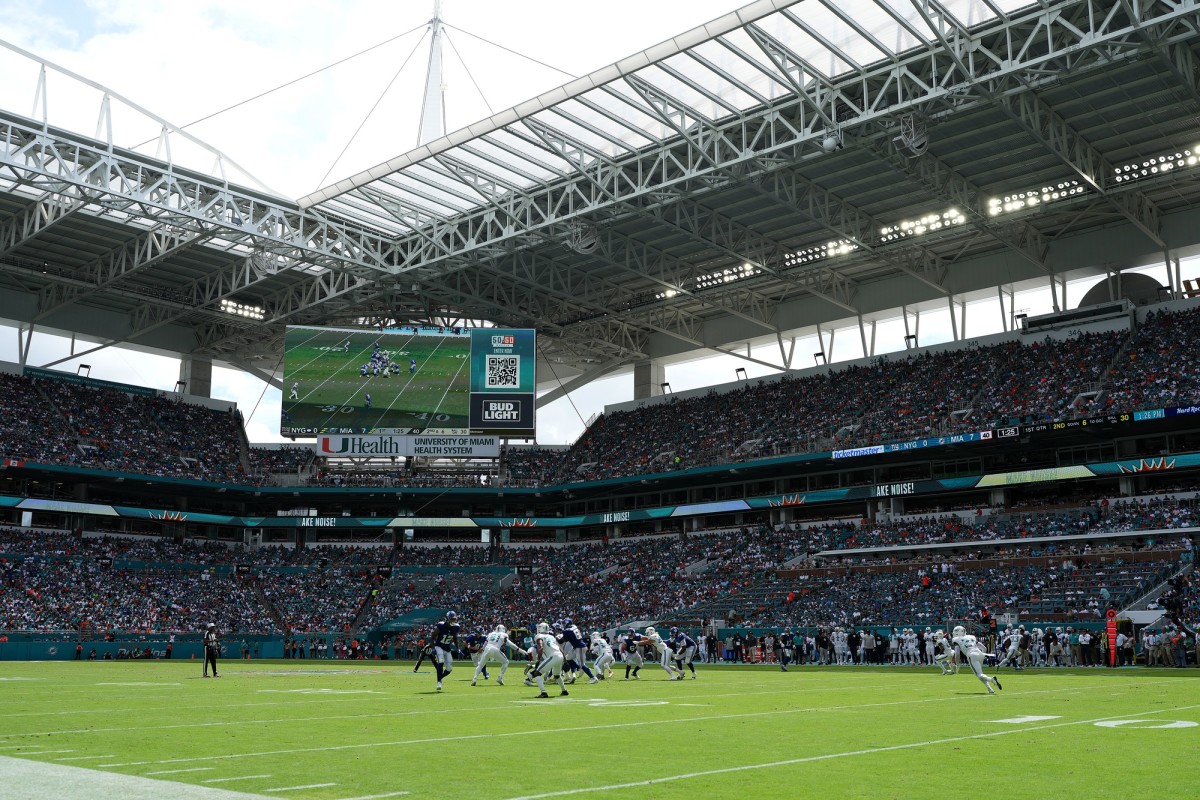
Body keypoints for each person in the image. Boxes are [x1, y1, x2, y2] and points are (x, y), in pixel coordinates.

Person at [950, 625, 1002, 694]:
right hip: (980, 654)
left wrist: (957, 663)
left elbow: (957, 653)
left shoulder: (956, 640)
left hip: (971, 655)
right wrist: (982, 656)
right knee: (980, 674)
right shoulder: (971, 637)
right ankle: (990, 689)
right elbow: (984, 648)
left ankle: (991, 679)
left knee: (979, 674)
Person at [529, 622, 568, 698]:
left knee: (537, 673)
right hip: (560, 655)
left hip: (553, 656)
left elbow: (541, 647)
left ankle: (543, 693)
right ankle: (564, 691)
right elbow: (560, 649)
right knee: (557, 675)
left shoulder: (538, 636)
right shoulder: (551, 637)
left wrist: (538, 661)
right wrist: (565, 661)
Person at [430, 611, 461, 691]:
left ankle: (440, 677)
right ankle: (439, 682)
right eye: (452, 619)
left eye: (454, 619)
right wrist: (433, 648)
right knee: (441, 661)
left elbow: (454, 637)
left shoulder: (456, 627)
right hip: (439, 646)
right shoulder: (441, 626)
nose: (453, 621)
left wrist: (458, 648)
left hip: (447, 648)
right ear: (448, 619)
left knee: (449, 669)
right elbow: (432, 637)